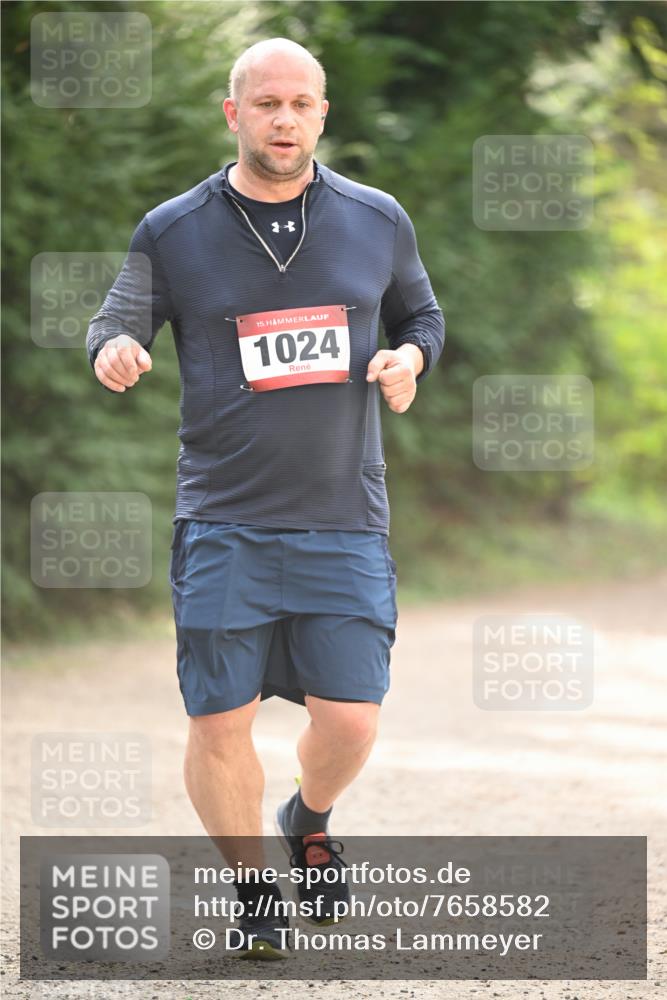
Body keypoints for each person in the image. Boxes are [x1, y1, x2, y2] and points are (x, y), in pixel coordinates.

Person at [86, 37, 444, 960]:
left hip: (342, 513)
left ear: (322, 114)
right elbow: (117, 317)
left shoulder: (376, 218)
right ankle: (253, 893)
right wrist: (113, 348)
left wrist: (409, 358)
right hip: (224, 518)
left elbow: (421, 315)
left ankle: (308, 817)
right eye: (266, 103)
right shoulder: (174, 229)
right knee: (218, 720)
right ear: (233, 113)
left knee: (351, 718)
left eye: (300, 104)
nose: (284, 120)